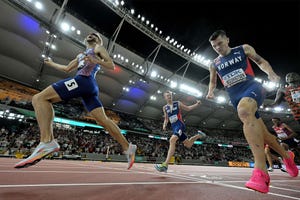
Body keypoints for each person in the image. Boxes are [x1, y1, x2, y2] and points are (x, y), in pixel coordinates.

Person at [14, 33, 137, 169]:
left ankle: (47, 141)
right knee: (103, 120)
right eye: (90, 34)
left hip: (83, 81)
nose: (92, 35)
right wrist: (51, 63)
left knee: (39, 98)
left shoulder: (98, 48)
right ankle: (128, 147)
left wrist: (97, 61)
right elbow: (66, 68)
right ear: (85, 39)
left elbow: (111, 65)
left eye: (95, 35)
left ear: (98, 40)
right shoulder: (80, 55)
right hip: (88, 88)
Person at [206, 30, 298, 193]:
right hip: (235, 96)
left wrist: (270, 73)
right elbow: (213, 81)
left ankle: (261, 172)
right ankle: (287, 157)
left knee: (244, 111)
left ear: (227, 39)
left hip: (252, 88)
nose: (217, 48)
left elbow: (260, 61)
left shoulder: (243, 49)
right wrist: (211, 91)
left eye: (220, 43)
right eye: (214, 46)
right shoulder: (214, 63)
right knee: (266, 136)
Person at [154, 90, 206, 172]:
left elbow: (188, 108)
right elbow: (166, 119)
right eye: (168, 96)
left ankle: (165, 165)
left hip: (180, 125)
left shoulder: (177, 103)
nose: (169, 96)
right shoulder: (165, 107)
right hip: (174, 127)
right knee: (188, 144)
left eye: (170, 95)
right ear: (165, 97)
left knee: (172, 140)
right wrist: (164, 125)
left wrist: (197, 104)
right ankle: (199, 135)